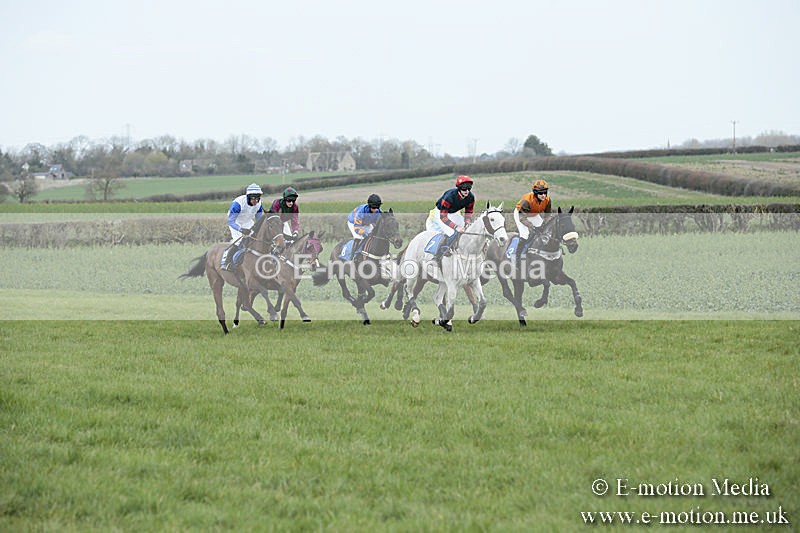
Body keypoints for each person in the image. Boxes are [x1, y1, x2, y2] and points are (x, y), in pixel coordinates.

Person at [426, 175, 475, 261]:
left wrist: (467, 222)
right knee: (452, 232)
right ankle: (439, 254)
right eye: (464, 189)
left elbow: (469, 212)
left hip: (453, 213)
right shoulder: (449, 196)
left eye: (469, 188)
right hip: (440, 213)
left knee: (469, 230)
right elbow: (443, 217)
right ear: (459, 188)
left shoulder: (471, 197)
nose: (467, 191)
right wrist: (456, 227)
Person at [221, 183, 264, 271]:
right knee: (239, 241)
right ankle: (225, 262)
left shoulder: (259, 204)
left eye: (257, 198)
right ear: (248, 196)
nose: (256, 200)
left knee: (255, 237)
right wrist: (240, 229)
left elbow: (259, 221)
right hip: (236, 222)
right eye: (253, 198)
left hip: (247, 221)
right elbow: (231, 221)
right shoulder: (238, 203)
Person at [513, 178, 552, 259]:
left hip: (533, 214)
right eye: (541, 193)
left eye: (545, 192)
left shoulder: (547, 199)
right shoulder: (527, 200)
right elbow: (522, 219)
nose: (544, 195)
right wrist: (533, 227)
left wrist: (544, 224)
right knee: (525, 234)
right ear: (535, 192)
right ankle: (517, 257)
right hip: (520, 214)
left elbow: (547, 215)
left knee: (544, 231)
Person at [347, 194, 383, 259]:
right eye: (373, 208)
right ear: (369, 206)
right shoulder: (361, 212)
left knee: (373, 236)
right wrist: (364, 233)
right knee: (359, 237)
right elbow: (357, 228)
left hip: (366, 223)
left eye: (377, 207)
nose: (375, 210)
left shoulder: (379, 212)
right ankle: (352, 256)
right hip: (353, 223)